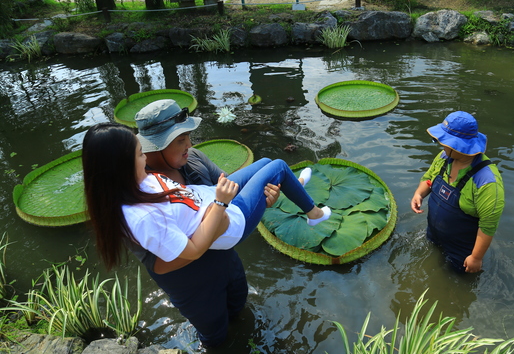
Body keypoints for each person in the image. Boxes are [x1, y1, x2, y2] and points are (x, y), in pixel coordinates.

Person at [82, 121, 330, 347]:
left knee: (267, 165)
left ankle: (291, 185)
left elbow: (222, 188)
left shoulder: (184, 164)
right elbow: (178, 255)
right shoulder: (141, 214)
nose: (144, 156)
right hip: (213, 242)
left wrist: (259, 200)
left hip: (220, 224)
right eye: (140, 153)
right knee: (215, 336)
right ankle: (313, 212)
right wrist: (219, 207)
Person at [410, 111, 505, 273]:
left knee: (458, 278)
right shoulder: (444, 158)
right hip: (434, 233)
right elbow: (428, 178)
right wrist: (419, 193)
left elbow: (488, 225)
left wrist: (476, 258)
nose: (440, 144)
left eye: (444, 141)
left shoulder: (487, 182)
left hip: (462, 247)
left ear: (458, 145)